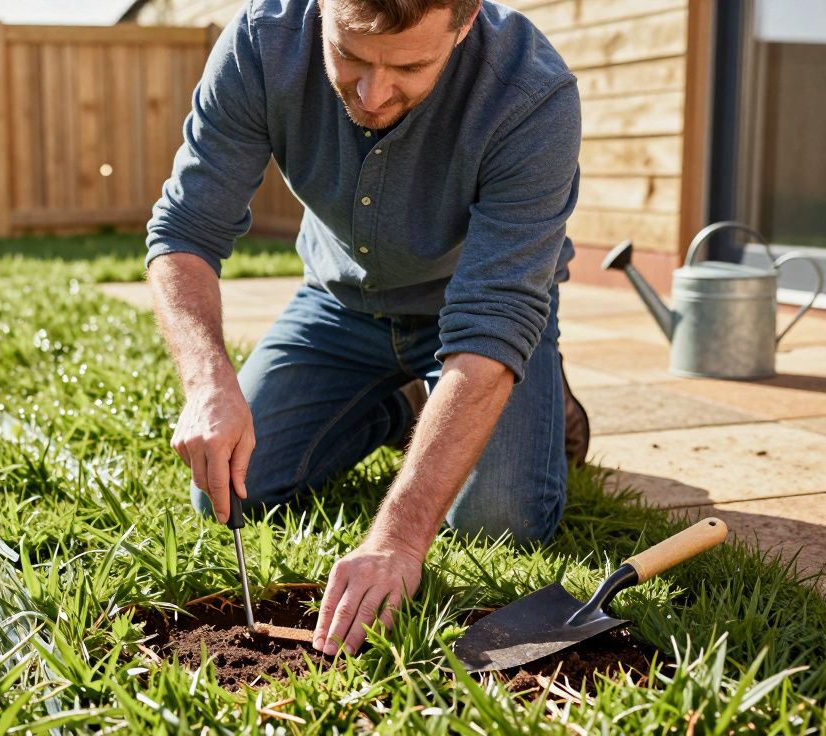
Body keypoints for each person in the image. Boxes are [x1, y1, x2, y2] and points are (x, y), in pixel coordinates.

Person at [144, 0, 591, 657]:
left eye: (409, 65)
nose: (373, 92)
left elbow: (494, 318)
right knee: (241, 485)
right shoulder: (262, 44)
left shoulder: (531, 93)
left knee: (502, 522)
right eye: (350, 56)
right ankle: (404, 406)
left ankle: (538, 404)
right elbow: (184, 230)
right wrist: (209, 383)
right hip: (340, 304)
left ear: (464, 25)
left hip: (474, 320)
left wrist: (400, 539)